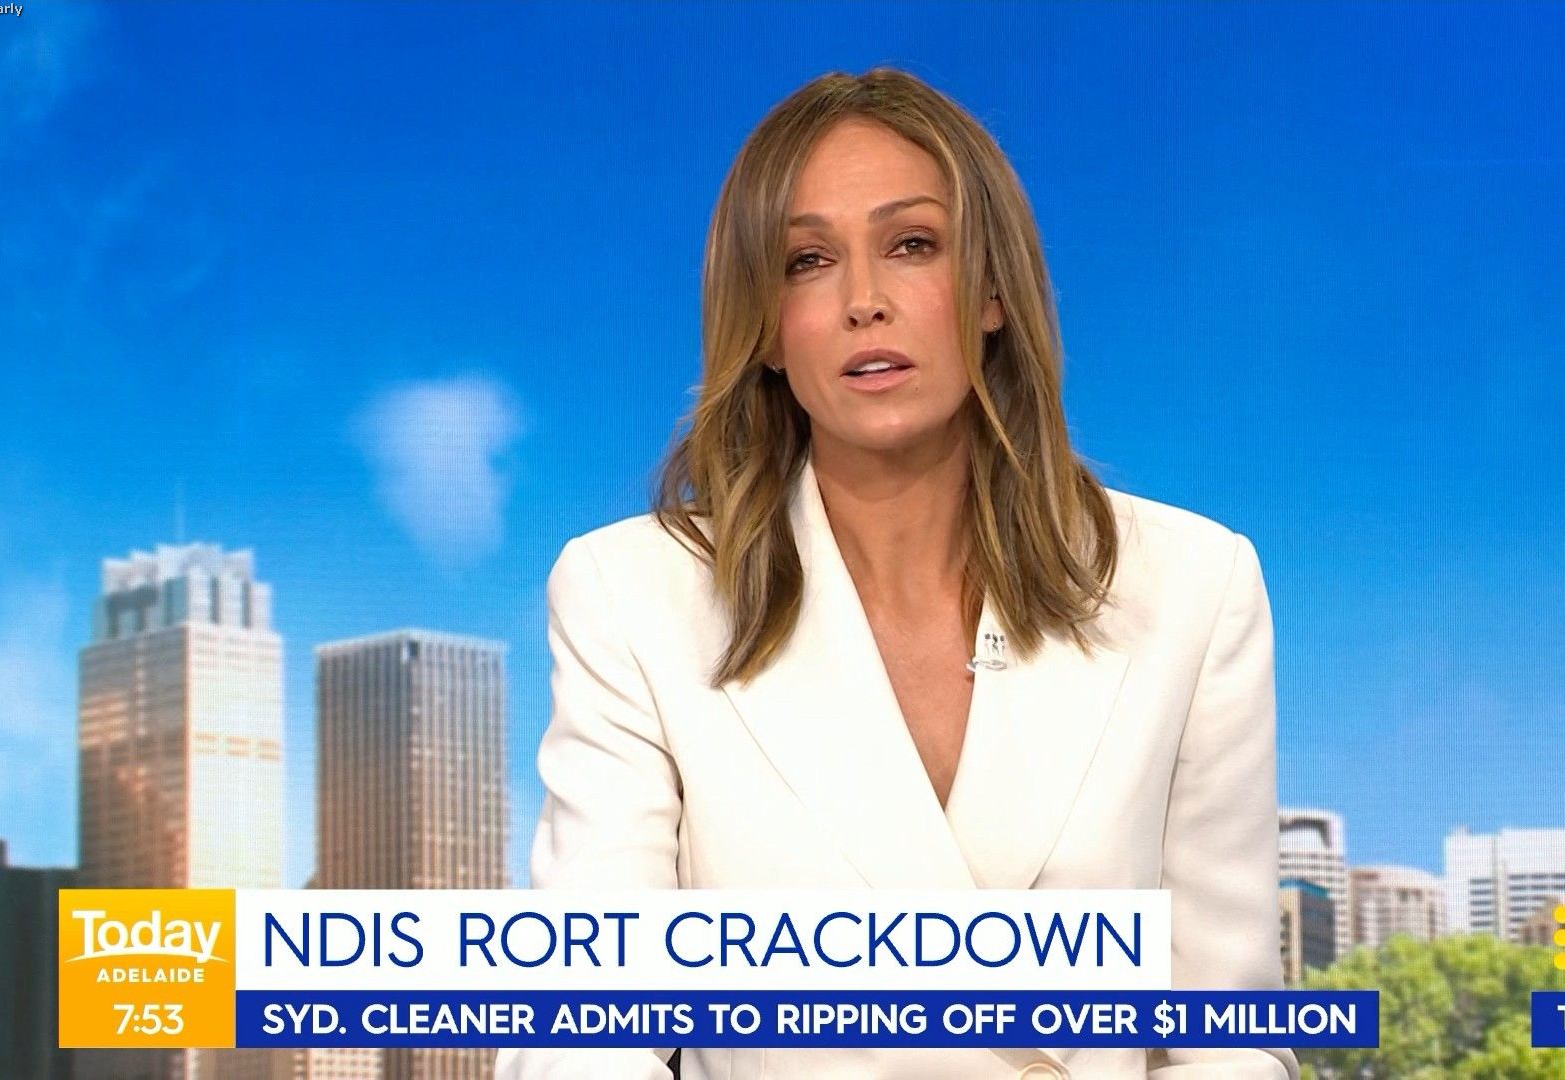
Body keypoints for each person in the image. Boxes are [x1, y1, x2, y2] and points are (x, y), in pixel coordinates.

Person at [497, 67, 1296, 1080]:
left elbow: (1229, 1035)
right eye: (807, 261)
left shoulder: (1193, 585)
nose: (863, 302)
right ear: (766, 327)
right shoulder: (631, 595)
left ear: (992, 292)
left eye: (912, 244)